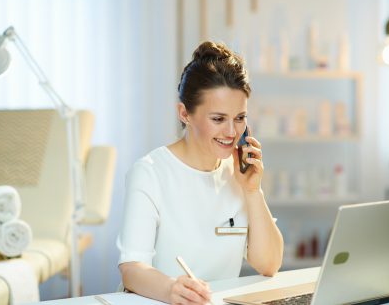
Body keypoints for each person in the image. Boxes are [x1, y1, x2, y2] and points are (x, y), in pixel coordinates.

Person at [117, 41, 283, 305]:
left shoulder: (239, 174)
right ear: (184, 113)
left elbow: (269, 264)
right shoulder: (149, 173)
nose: (231, 132)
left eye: (240, 118)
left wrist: (253, 191)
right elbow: (132, 269)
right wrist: (172, 289)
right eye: (218, 119)